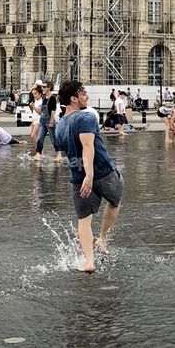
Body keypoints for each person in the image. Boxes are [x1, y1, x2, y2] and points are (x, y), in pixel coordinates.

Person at [54, 82, 124, 273]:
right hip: (102, 172)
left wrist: (83, 175)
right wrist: (90, 175)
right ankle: (102, 238)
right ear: (73, 99)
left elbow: (63, 149)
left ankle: (89, 262)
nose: (87, 97)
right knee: (115, 202)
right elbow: (87, 146)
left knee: (83, 220)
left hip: (77, 176)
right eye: (83, 94)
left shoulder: (59, 125)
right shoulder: (86, 117)